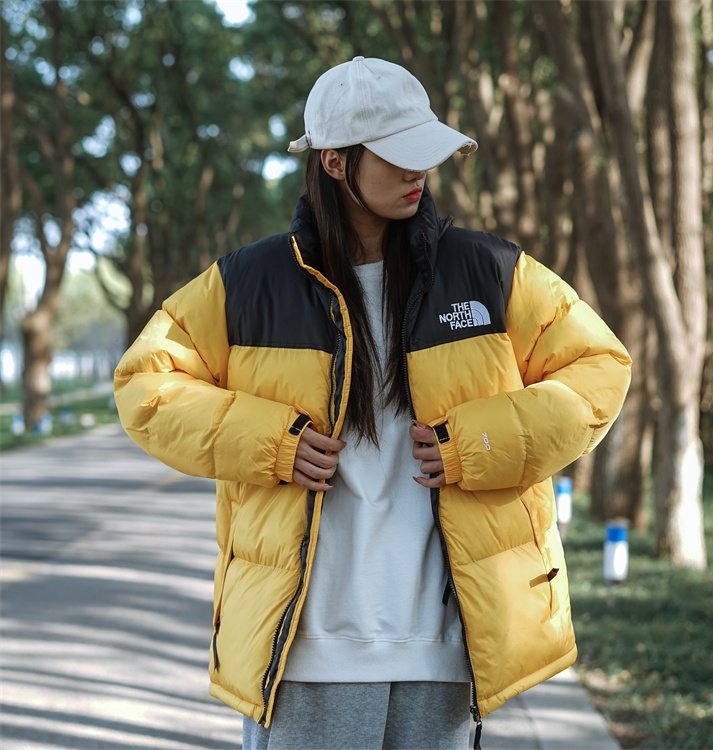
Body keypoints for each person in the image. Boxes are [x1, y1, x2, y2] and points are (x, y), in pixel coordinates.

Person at [114, 56, 631, 750]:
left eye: (425, 150)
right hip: (306, 654)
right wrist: (272, 443)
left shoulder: (487, 270)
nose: (420, 171)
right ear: (334, 162)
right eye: (398, 154)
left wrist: (477, 442)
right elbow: (144, 383)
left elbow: (600, 366)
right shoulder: (249, 283)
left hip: (442, 646)